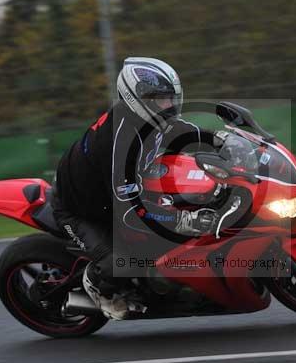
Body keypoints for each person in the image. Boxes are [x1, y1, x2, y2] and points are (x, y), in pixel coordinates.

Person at [52, 57, 222, 320]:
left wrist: (220, 141)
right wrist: (183, 220)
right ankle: (97, 286)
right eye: (161, 100)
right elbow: (130, 212)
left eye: (171, 98)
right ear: (137, 99)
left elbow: (181, 132)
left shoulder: (148, 120)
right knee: (123, 260)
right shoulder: (121, 143)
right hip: (79, 209)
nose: (169, 106)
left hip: (108, 191)